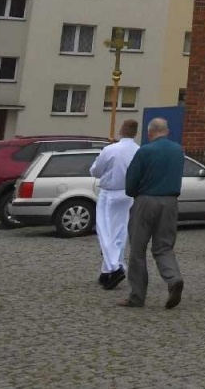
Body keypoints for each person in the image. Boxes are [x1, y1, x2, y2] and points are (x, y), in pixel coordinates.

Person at [118, 117, 184, 310]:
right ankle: (174, 279)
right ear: (167, 131)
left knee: (138, 249)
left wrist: (134, 193)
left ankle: (137, 296)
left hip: (146, 201)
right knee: (164, 247)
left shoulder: (144, 151)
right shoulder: (178, 151)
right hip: (170, 202)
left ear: (150, 133)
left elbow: (131, 182)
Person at [88, 119, 139, 290]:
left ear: (121, 130)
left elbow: (95, 170)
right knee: (119, 231)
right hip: (127, 193)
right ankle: (106, 271)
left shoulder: (110, 149)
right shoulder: (139, 150)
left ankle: (115, 268)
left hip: (109, 193)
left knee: (105, 231)